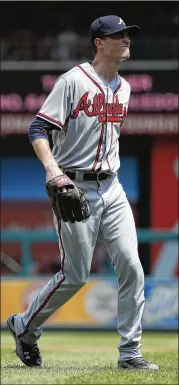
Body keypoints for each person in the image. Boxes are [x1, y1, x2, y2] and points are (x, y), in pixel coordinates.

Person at [7, 15, 159, 371]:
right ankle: (24, 327)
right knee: (75, 276)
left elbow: (113, 134)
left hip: (113, 185)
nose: (126, 40)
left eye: (127, 35)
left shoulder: (125, 88)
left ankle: (130, 353)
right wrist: (53, 170)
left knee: (133, 268)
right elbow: (37, 127)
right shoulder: (73, 81)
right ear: (99, 43)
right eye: (118, 36)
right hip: (74, 186)